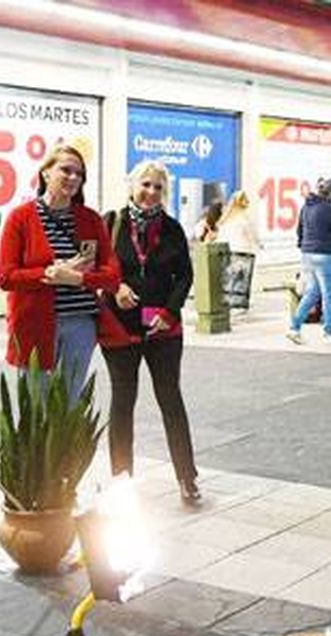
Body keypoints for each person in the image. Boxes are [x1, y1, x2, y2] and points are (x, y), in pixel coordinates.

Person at [99, 161, 200, 507]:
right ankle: (120, 480)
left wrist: (170, 313)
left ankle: (187, 478)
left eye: (158, 187)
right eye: (146, 185)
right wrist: (117, 287)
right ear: (131, 186)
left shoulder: (171, 229)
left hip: (163, 329)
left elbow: (185, 276)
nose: (151, 193)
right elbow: (98, 268)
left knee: (170, 399)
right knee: (122, 402)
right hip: (120, 328)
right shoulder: (110, 223)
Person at [0, 143, 122, 402]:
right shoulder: (20, 218)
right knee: (37, 406)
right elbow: (6, 277)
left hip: (81, 323)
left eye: (79, 174)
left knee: (70, 403)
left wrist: (78, 278)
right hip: (34, 324)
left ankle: (70, 446)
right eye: (66, 170)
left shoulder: (90, 219)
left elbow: (112, 276)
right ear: (45, 173)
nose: (73, 178)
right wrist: (50, 273)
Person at [287, 178, 331, 344]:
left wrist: (304, 246)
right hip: (327, 254)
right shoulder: (329, 209)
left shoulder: (306, 207)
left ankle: (294, 327)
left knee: (313, 292)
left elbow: (299, 230)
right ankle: (329, 331)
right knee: (330, 294)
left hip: (308, 255)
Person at [217, 190, 258, 310]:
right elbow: (252, 235)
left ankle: (229, 301)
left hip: (230, 251)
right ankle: (241, 302)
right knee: (244, 278)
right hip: (244, 251)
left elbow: (221, 235)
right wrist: (258, 245)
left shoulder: (227, 218)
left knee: (231, 277)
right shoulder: (244, 218)